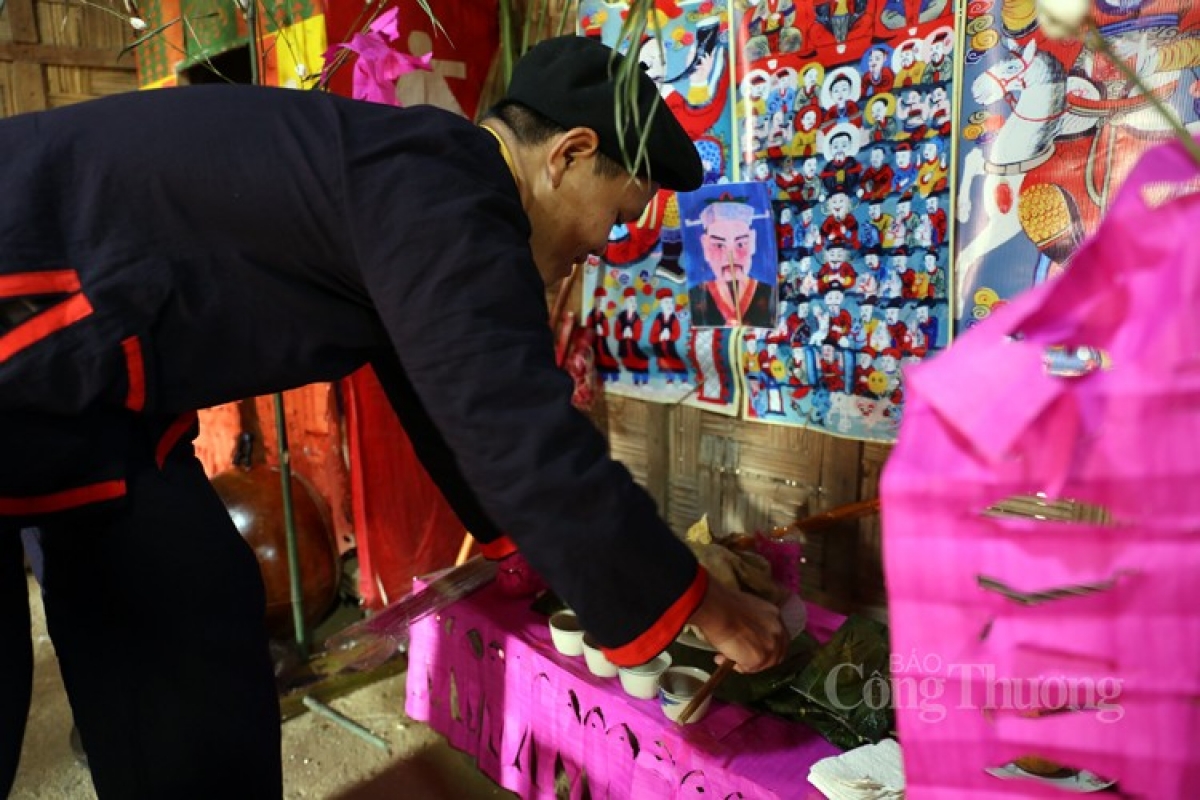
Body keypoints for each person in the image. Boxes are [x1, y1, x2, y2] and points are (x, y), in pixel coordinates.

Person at [0, 35, 789, 799]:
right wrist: (697, 603)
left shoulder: (416, 185)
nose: (599, 247)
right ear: (569, 155)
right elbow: (516, 431)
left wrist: (524, 551)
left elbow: (440, 397)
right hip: (29, 327)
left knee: (186, 601)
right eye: (615, 217)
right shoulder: (445, 184)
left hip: (88, 403)